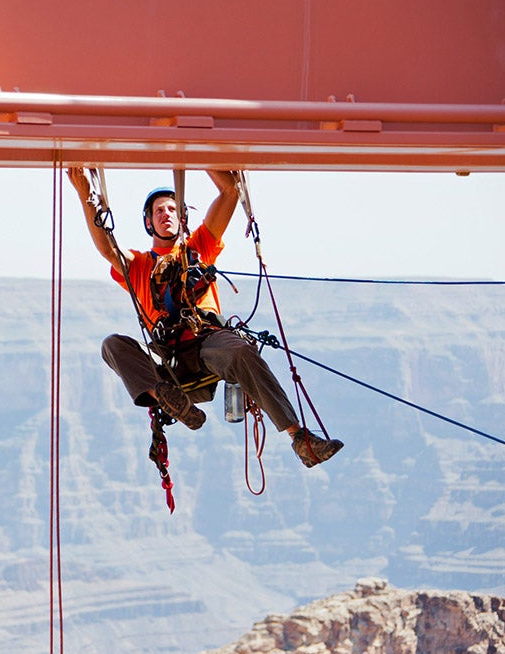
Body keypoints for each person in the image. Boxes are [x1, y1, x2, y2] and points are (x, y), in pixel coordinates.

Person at [68, 167, 342, 468]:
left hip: (204, 343)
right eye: (158, 210)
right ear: (149, 222)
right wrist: (85, 195)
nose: (166, 214)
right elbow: (109, 250)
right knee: (112, 345)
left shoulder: (198, 248)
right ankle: (165, 396)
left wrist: (201, 154)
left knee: (240, 351)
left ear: (182, 217)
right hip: (168, 359)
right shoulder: (140, 265)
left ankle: (299, 439)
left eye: (172, 209)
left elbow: (229, 192)